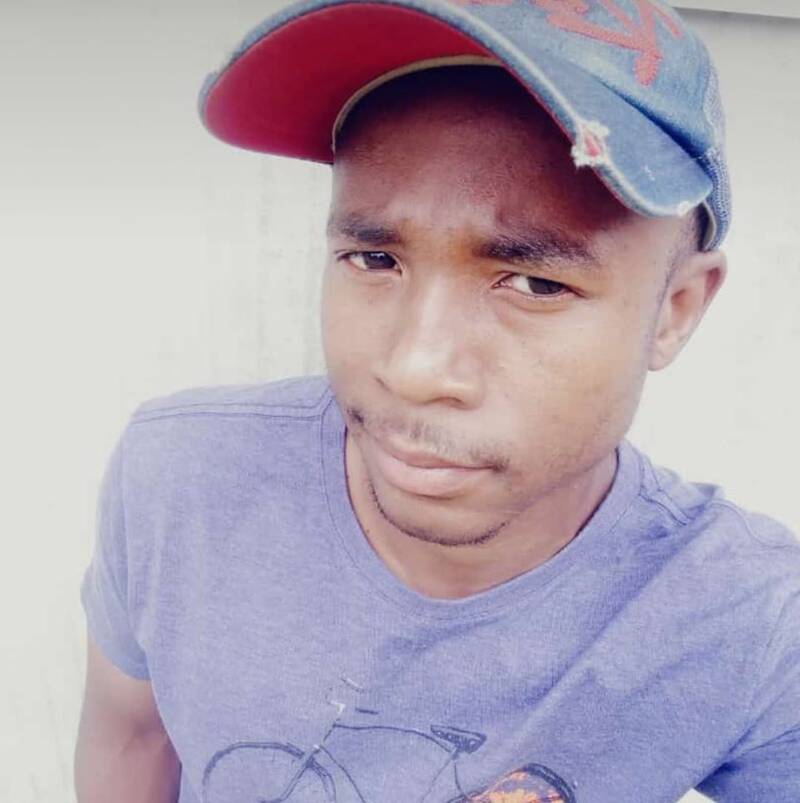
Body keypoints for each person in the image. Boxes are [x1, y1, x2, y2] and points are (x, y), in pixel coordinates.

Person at [74, 0, 800, 801]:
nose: (414, 367)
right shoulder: (182, 480)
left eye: (535, 283)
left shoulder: (749, 619)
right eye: (374, 258)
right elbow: (131, 736)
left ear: (675, 310)